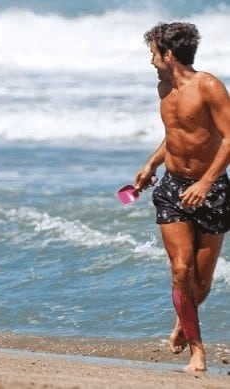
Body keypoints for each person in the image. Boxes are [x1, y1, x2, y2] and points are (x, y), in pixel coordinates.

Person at [134, 22, 230, 372]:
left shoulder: (209, 87)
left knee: (201, 281)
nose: (151, 61)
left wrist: (205, 183)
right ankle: (197, 351)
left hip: (212, 188)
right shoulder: (163, 87)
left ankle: (183, 320)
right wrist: (151, 164)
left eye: (154, 53)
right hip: (173, 188)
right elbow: (175, 136)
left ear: (169, 54)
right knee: (180, 269)